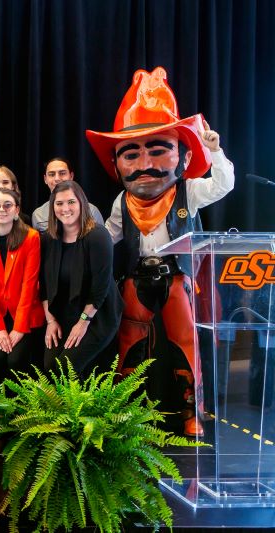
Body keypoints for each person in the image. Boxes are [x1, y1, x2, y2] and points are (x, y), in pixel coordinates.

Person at [85, 66, 235, 436]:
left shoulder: (190, 192)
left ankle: (192, 413)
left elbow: (224, 185)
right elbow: (108, 237)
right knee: (129, 342)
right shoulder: (122, 201)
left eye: (158, 150)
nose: (145, 165)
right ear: (117, 163)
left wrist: (215, 153)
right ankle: (124, 411)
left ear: (183, 159)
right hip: (138, 276)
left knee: (187, 344)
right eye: (130, 155)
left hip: (178, 279)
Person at [40, 181, 122, 375]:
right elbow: (43, 285)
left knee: (66, 369)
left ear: (81, 204)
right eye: (59, 203)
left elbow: (100, 287)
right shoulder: (48, 239)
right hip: (63, 314)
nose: (65, 208)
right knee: (50, 367)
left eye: (71, 202)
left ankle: (77, 406)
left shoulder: (98, 235)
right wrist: (50, 321)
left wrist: (83, 322)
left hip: (97, 315)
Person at [0, 188, 45, 383]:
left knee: (16, 360)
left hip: (25, 314)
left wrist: (19, 329)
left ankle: (22, 411)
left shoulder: (31, 237)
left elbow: (30, 286)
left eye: (7, 205)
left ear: (16, 210)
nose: (1, 209)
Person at [31, 157, 104, 232]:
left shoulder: (91, 211)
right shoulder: (38, 215)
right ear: (45, 179)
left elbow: (101, 241)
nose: (57, 178)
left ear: (71, 176)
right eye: (51, 174)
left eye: (62, 173)